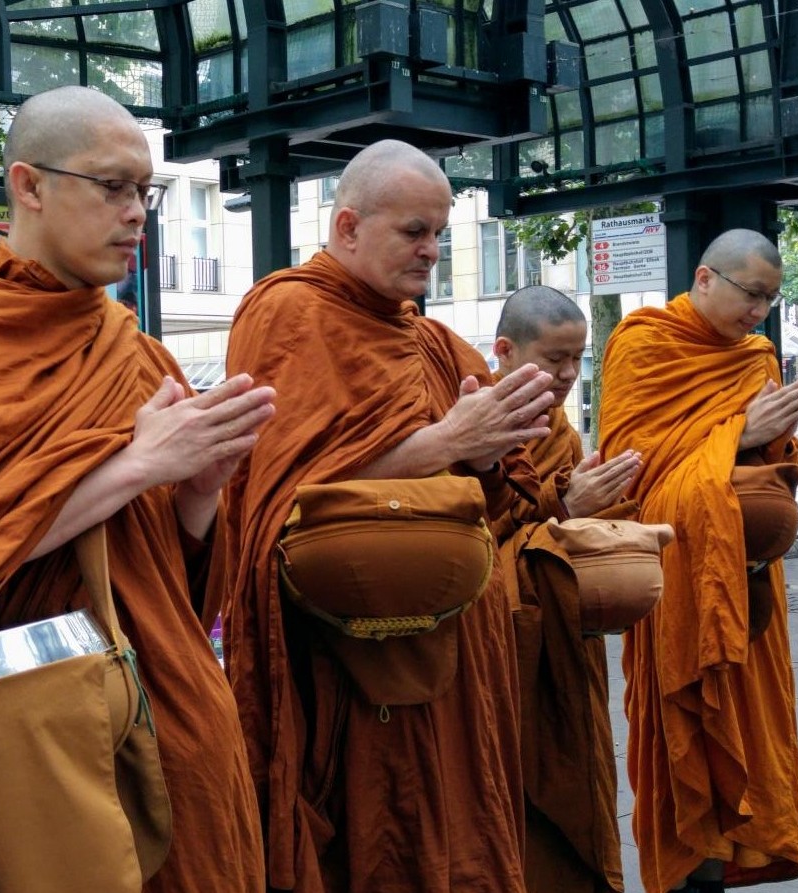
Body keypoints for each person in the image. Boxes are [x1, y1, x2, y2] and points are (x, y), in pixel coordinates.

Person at [0, 85, 273, 893]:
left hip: (169, 728)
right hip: (20, 748)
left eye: (147, 191)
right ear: (29, 185)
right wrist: (136, 466)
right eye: (113, 186)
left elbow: (180, 593)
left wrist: (201, 492)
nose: (138, 212)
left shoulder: (136, 355)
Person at [212, 139, 557, 892]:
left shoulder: (430, 339)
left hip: (454, 653)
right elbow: (280, 499)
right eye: (413, 232)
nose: (432, 251)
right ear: (346, 228)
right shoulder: (288, 310)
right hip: (341, 661)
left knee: (458, 832)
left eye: (441, 233)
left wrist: (488, 452)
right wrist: (444, 442)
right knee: (367, 847)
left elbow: (501, 500)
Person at [600, 229, 798, 893]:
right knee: (684, 737)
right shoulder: (643, 343)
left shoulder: (757, 358)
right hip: (679, 587)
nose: (760, 311)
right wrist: (740, 433)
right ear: (704, 277)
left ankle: (735, 855)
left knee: (751, 731)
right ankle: (695, 868)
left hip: (747, 585)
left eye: (771, 300)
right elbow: (630, 473)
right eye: (752, 293)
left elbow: (774, 470)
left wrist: (772, 443)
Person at [490, 285, 641, 893]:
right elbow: (469, 529)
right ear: (504, 350)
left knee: (574, 776)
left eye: (578, 358)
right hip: (500, 643)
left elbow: (557, 527)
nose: (567, 374)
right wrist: (563, 503)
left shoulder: (561, 432)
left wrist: (597, 512)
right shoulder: (472, 419)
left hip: (561, 641)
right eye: (554, 359)